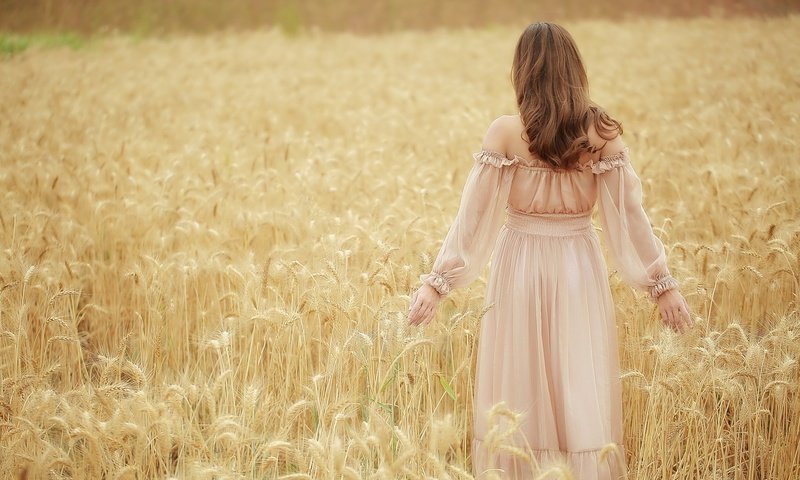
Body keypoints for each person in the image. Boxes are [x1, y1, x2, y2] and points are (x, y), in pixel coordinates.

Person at [407, 22, 693, 479]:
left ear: (524, 72)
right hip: (578, 266)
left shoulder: (505, 133)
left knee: (519, 391)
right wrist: (661, 285)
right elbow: (630, 217)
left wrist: (437, 284)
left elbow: (472, 221)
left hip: (518, 266)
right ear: (573, 71)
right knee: (578, 386)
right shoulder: (601, 131)